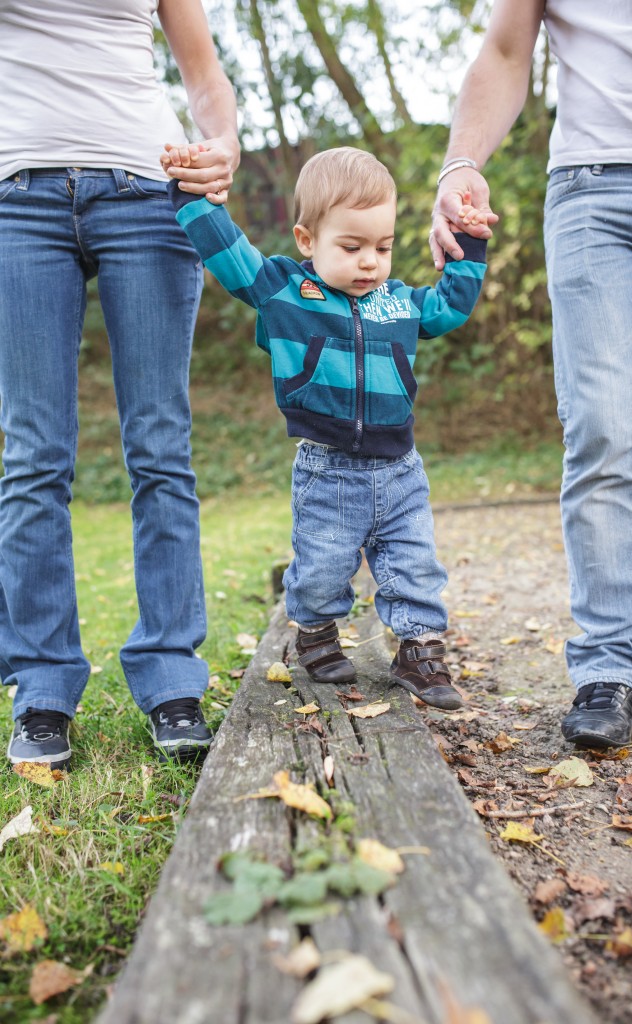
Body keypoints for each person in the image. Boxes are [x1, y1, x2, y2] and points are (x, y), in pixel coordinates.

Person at [430, 0, 632, 747]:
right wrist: (461, 162)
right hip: (592, 189)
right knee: (602, 430)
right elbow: (506, 51)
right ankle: (611, 665)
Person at [1, 0, 240, 768]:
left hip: (149, 190)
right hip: (16, 199)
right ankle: (41, 689)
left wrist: (224, 145)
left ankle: (173, 679)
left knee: (160, 446)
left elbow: (203, 76)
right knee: (34, 455)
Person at [165, 146, 487, 709]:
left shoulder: (398, 303)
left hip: (400, 469)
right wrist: (196, 196)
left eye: (382, 247)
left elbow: (450, 308)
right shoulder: (284, 290)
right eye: (352, 246)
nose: (370, 262)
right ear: (307, 240)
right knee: (321, 569)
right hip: (328, 470)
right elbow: (229, 254)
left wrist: (471, 246)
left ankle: (420, 650)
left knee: (414, 563)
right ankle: (314, 633)